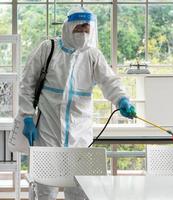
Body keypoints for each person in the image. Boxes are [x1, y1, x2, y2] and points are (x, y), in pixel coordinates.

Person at [19, 6, 136, 200]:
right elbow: (27, 83)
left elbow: (109, 81)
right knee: (45, 190)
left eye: (86, 29)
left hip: (80, 134)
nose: (82, 33)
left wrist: (121, 100)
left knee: (81, 190)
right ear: (68, 27)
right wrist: (26, 116)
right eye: (78, 28)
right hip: (48, 132)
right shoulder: (48, 49)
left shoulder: (92, 55)